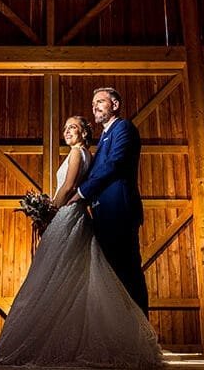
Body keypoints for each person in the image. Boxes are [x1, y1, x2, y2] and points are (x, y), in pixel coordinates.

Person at [0, 116, 163, 368]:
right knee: (71, 275)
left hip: (68, 214)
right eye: (65, 128)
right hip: (74, 215)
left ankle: (52, 344)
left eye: (73, 127)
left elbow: (68, 187)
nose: (67, 131)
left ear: (84, 133)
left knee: (51, 274)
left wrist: (48, 213)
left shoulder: (78, 153)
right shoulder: (89, 155)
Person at [73, 87, 148, 313]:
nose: (94, 107)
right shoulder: (104, 138)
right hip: (103, 215)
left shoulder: (123, 128)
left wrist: (81, 193)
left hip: (119, 213)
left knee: (127, 274)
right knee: (112, 276)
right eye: (93, 104)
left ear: (115, 105)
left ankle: (139, 329)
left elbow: (114, 164)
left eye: (100, 102)